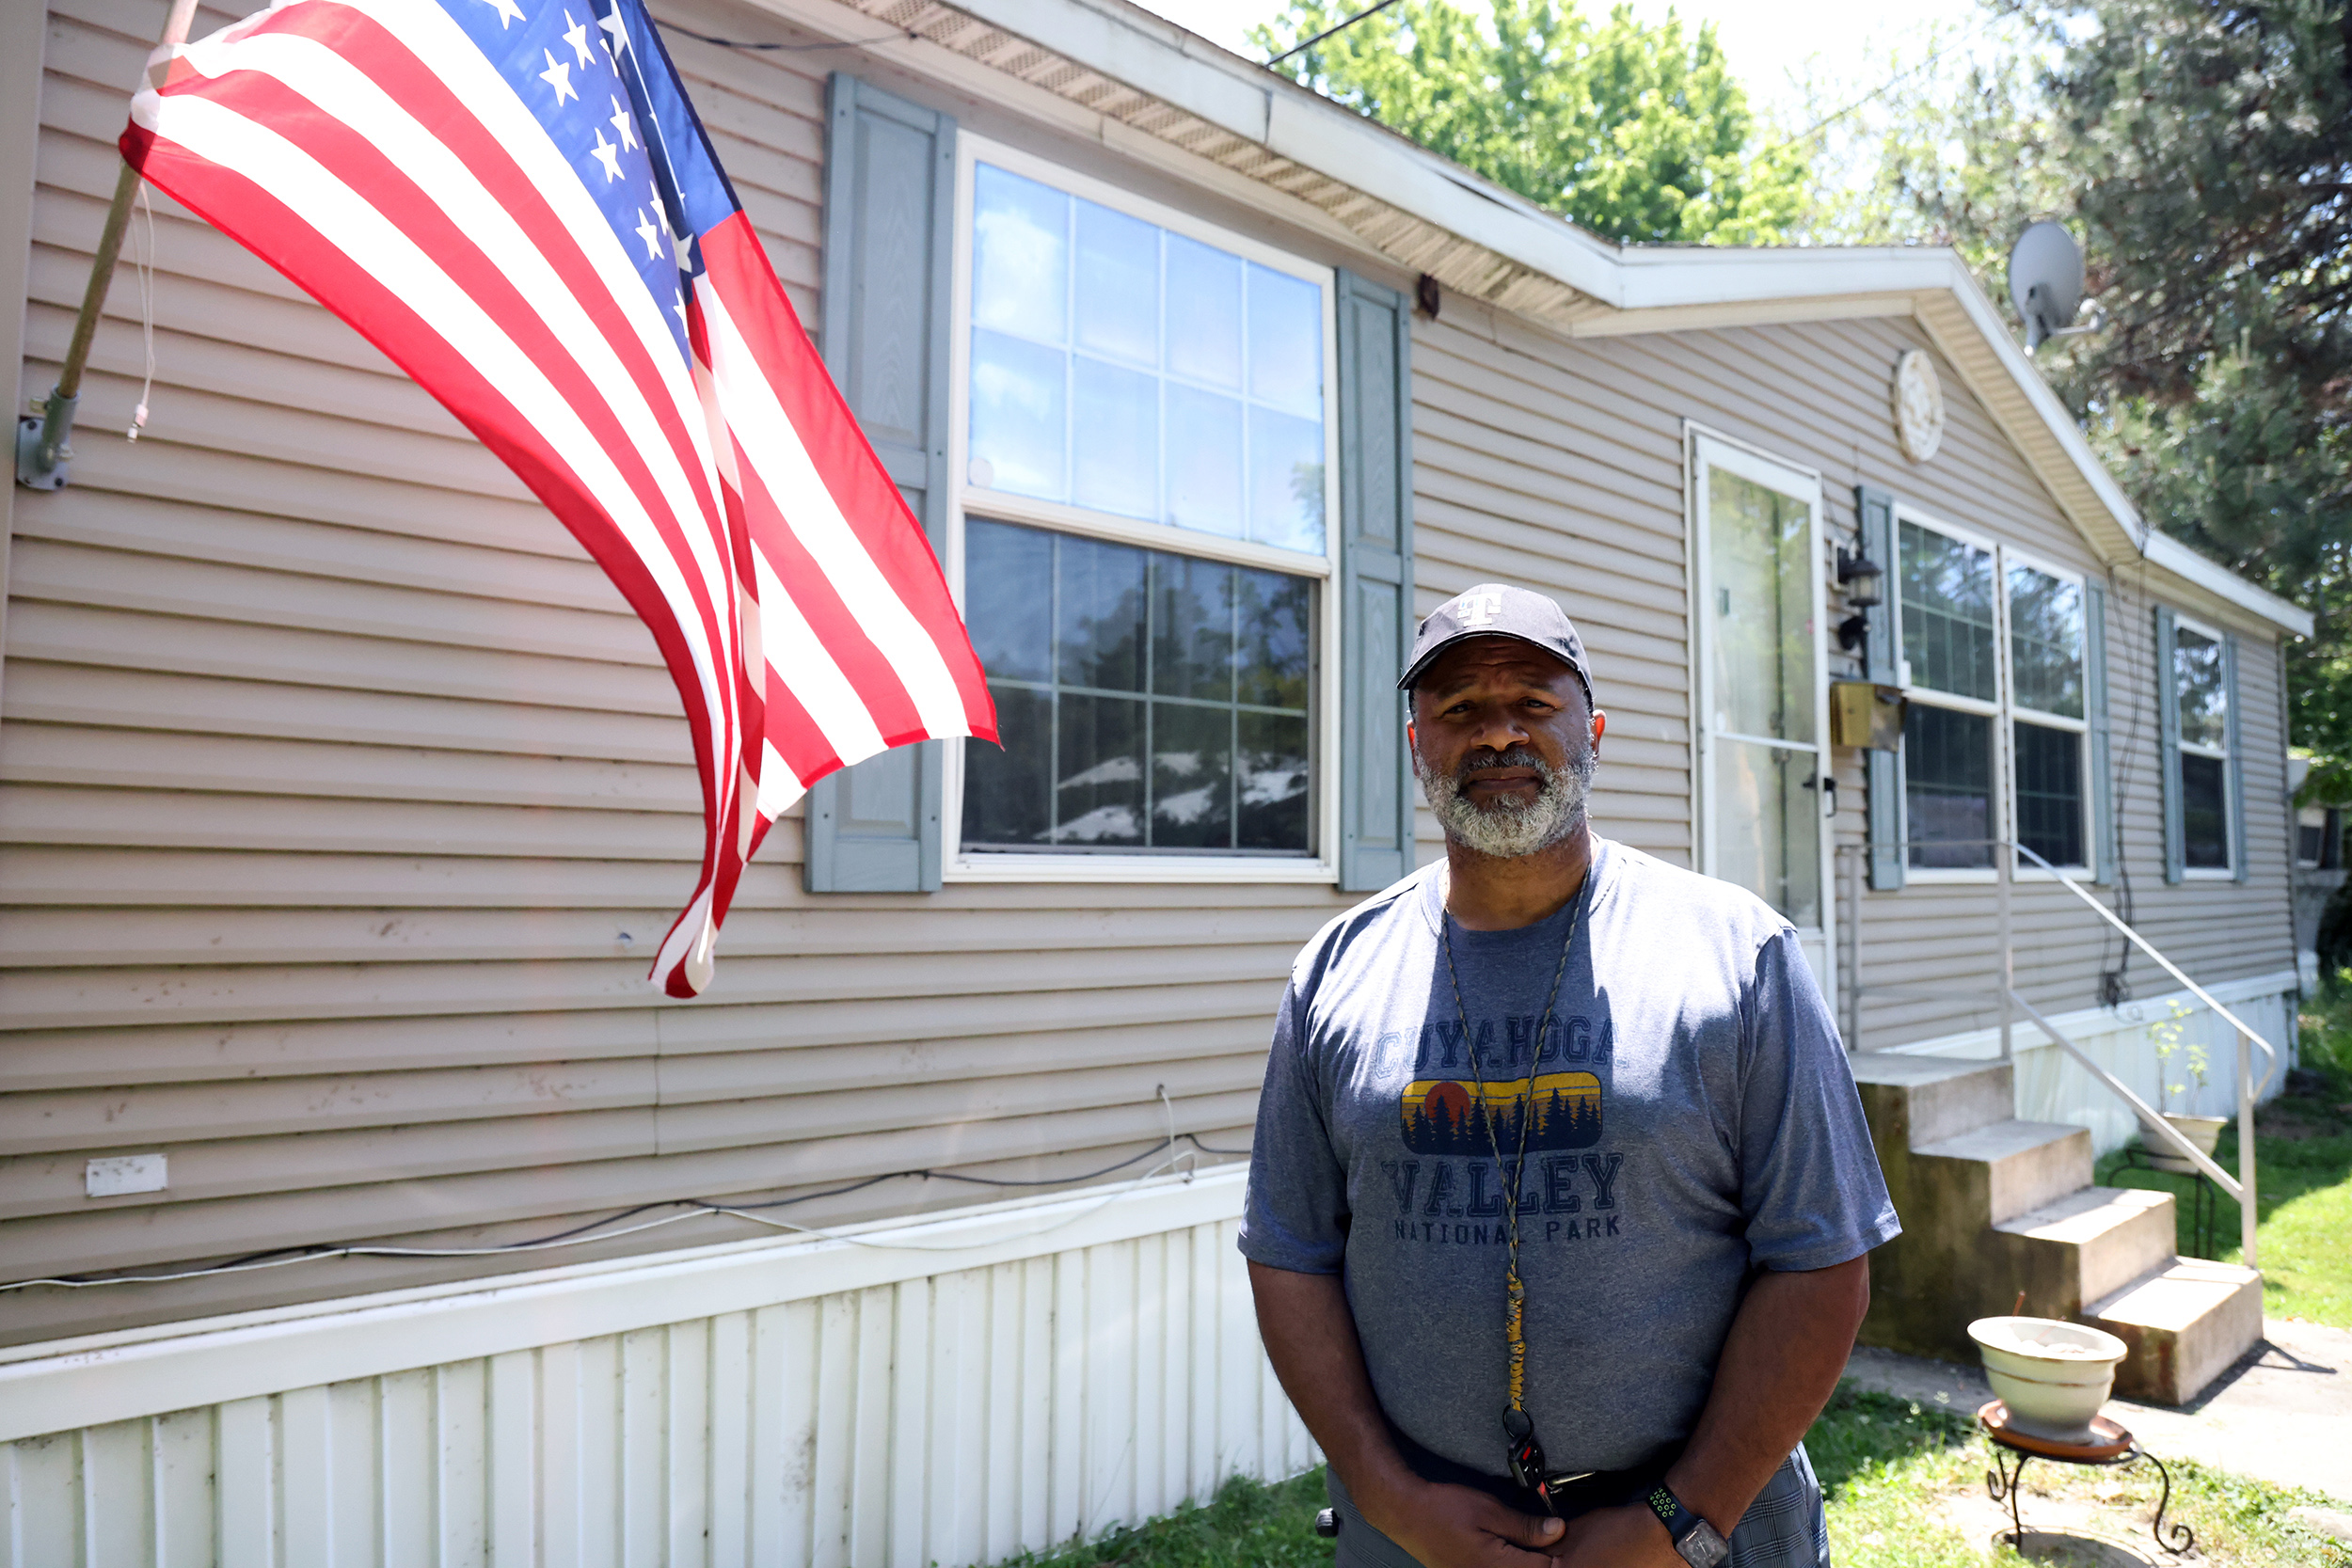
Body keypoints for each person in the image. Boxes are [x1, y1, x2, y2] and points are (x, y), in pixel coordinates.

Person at [1240, 583, 1900, 1568]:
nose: (1496, 734)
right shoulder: (1334, 971)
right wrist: (1391, 1496)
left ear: (1591, 730)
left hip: (1698, 1534)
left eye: (1532, 705)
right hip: (1417, 1536)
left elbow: (1822, 1256)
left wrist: (1682, 1519)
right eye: (1458, 707)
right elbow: (1290, 1251)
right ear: (1416, 741)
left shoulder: (1735, 953)